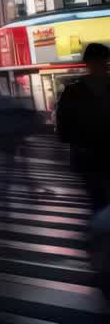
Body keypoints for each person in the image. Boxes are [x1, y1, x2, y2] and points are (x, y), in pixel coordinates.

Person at [57, 43, 110, 212]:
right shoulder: (74, 91)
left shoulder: (72, 91)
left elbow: (63, 126)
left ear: (87, 63)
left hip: (86, 153)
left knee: (98, 200)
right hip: (95, 153)